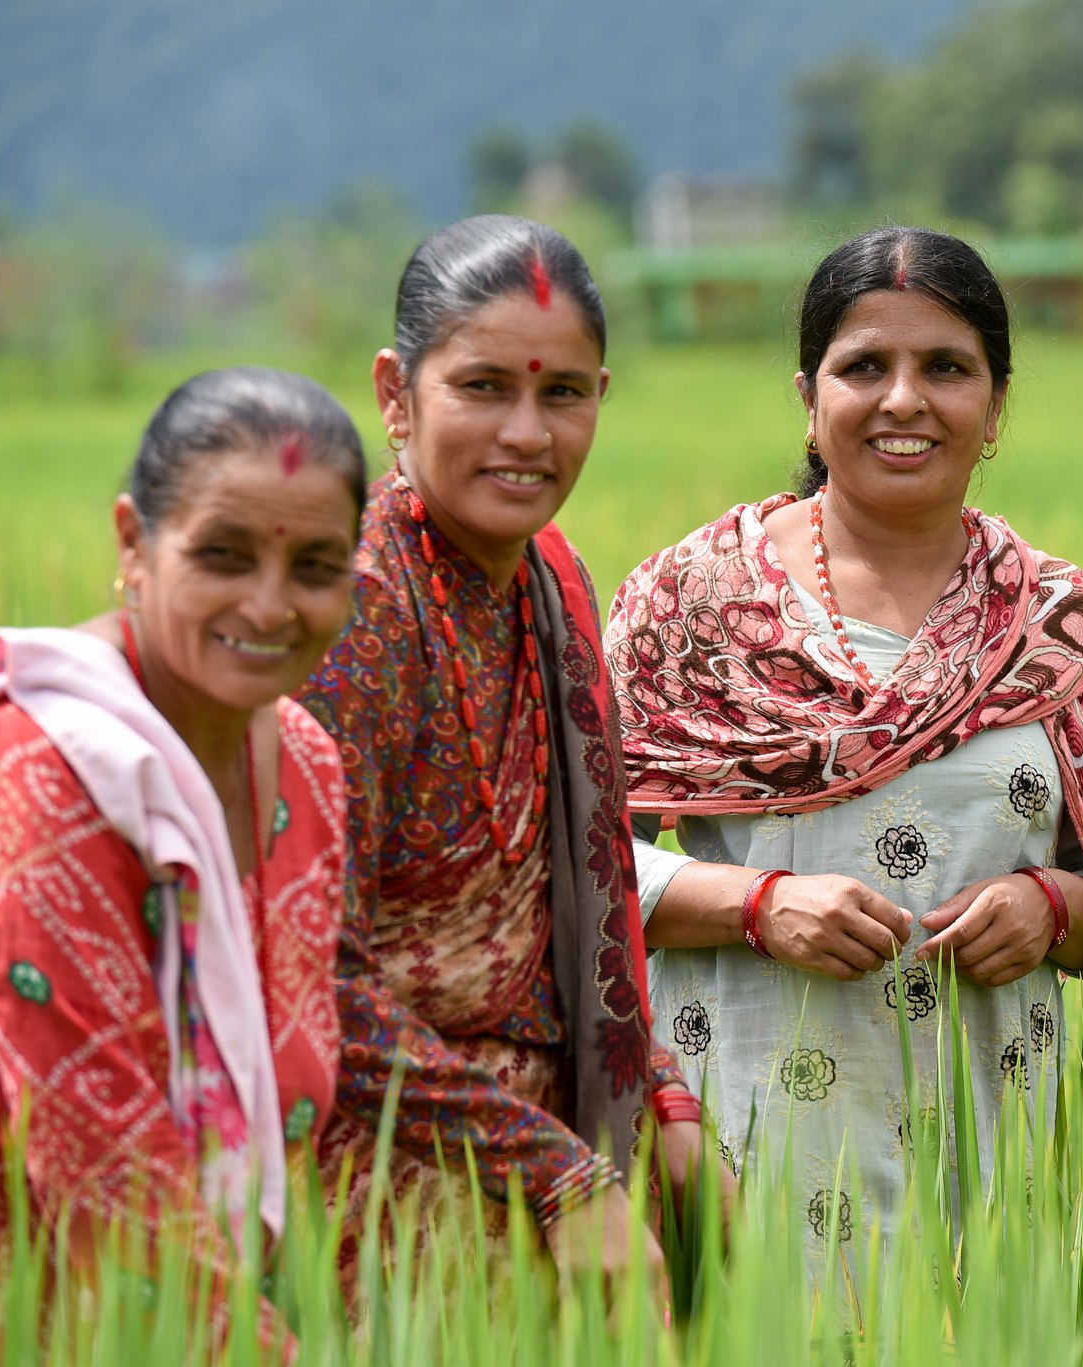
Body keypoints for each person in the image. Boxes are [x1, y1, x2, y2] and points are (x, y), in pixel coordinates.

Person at [604, 226, 1083, 1256]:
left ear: (995, 403)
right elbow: (577, 864)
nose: (903, 399)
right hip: (745, 1145)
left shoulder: (1059, 625)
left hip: (995, 1143)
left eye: (945, 368)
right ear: (808, 394)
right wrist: (757, 906)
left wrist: (1050, 906)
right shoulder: (689, 601)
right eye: (864, 365)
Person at [0, 368, 366, 1352]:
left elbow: (295, 1084)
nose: (270, 606)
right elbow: (104, 1169)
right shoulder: (35, 773)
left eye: (315, 566)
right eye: (223, 555)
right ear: (133, 544)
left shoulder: (307, 762)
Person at [295, 215, 717, 1300]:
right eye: (482, 387)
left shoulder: (548, 587)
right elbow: (307, 979)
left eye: (561, 393)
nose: (526, 432)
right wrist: (562, 1177)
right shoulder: (355, 610)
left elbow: (575, 911)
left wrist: (657, 1089)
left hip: (546, 1160)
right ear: (396, 394)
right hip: (373, 1172)